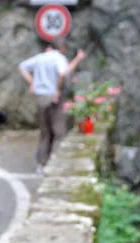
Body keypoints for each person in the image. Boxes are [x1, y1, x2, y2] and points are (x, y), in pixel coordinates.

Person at [18, 36, 86, 174]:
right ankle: (57, 163)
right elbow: (63, 73)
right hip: (54, 97)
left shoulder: (40, 57)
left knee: (45, 132)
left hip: (40, 97)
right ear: (62, 48)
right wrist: (58, 90)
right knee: (59, 131)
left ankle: (41, 164)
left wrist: (33, 82)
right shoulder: (59, 58)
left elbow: (22, 66)